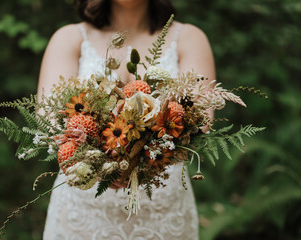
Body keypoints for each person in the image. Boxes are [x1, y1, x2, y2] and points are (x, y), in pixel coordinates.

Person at [38, 0, 215, 239]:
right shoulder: (69, 38)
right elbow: (49, 121)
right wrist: (102, 167)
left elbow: (199, 124)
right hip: (83, 215)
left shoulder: (189, 38)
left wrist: (137, 163)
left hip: (163, 213)